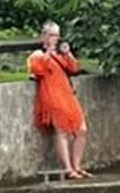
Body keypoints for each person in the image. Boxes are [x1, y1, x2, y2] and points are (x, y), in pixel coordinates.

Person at [27, 21, 88, 180]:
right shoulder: (37, 54)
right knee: (62, 132)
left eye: (57, 35)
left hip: (68, 95)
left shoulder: (61, 53)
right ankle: (68, 169)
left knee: (81, 130)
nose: (56, 38)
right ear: (44, 36)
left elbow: (74, 69)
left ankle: (77, 165)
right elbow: (37, 70)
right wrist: (49, 53)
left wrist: (67, 53)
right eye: (52, 35)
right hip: (52, 96)